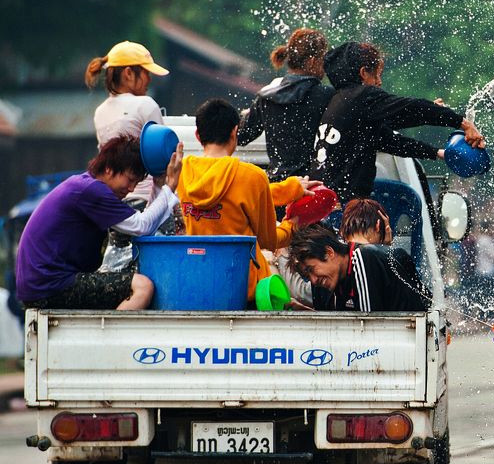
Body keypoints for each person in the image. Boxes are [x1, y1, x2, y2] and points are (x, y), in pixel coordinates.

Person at [15, 135, 182, 311]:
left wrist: (158, 186)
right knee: (142, 287)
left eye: (137, 183)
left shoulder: (87, 187)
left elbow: (145, 224)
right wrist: (169, 187)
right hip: (49, 286)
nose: (132, 189)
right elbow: (141, 226)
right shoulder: (91, 191)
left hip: (43, 284)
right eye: (130, 179)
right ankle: (112, 340)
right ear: (109, 169)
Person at [310, 41, 485, 202]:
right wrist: (463, 124)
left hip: (323, 202)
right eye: (377, 75)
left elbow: (391, 141)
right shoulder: (362, 96)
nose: (379, 82)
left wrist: (438, 153)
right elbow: (411, 109)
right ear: (363, 73)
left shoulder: (342, 101)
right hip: (338, 205)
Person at [177, 98, 312, 303]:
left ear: (197, 135)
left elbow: (240, 194)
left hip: (198, 281)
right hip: (244, 286)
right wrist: (292, 226)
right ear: (234, 132)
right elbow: (268, 241)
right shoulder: (251, 176)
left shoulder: (182, 173)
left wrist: (290, 189)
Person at [238, 28, 333, 182]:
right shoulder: (326, 96)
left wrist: (245, 116)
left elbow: (241, 136)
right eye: (324, 60)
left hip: (277, 186)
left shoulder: (266, 97)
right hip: (310, 186)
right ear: (312, 61)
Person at [87, 40, 169, 208]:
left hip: (114, 202)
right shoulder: (145, 105)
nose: (149, 79)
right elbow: (164, 160)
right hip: (147, 200)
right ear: (128, 73)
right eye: (146, 72)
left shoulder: (99, 112)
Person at [287, 224, 429, 312]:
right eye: (307, 276)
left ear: (329, 252)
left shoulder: (363, 257)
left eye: (311, 270)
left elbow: (367, 328)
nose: (313, 280)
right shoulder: (325, 281)